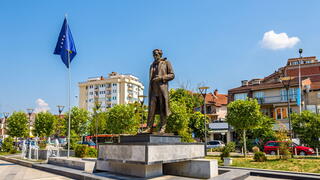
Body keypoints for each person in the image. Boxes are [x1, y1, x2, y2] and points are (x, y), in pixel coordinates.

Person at [144, 49, 175, 133]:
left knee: (163, 110)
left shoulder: (166, 63)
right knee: (151, 110)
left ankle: (163, 128)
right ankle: (148, 127)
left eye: (156, 54)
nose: (154, 56)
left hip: (162, 90)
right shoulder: (152, 65)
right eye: (153, 55)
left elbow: (172, 75)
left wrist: (161, 78)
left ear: (160, 55)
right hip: (153, 91)